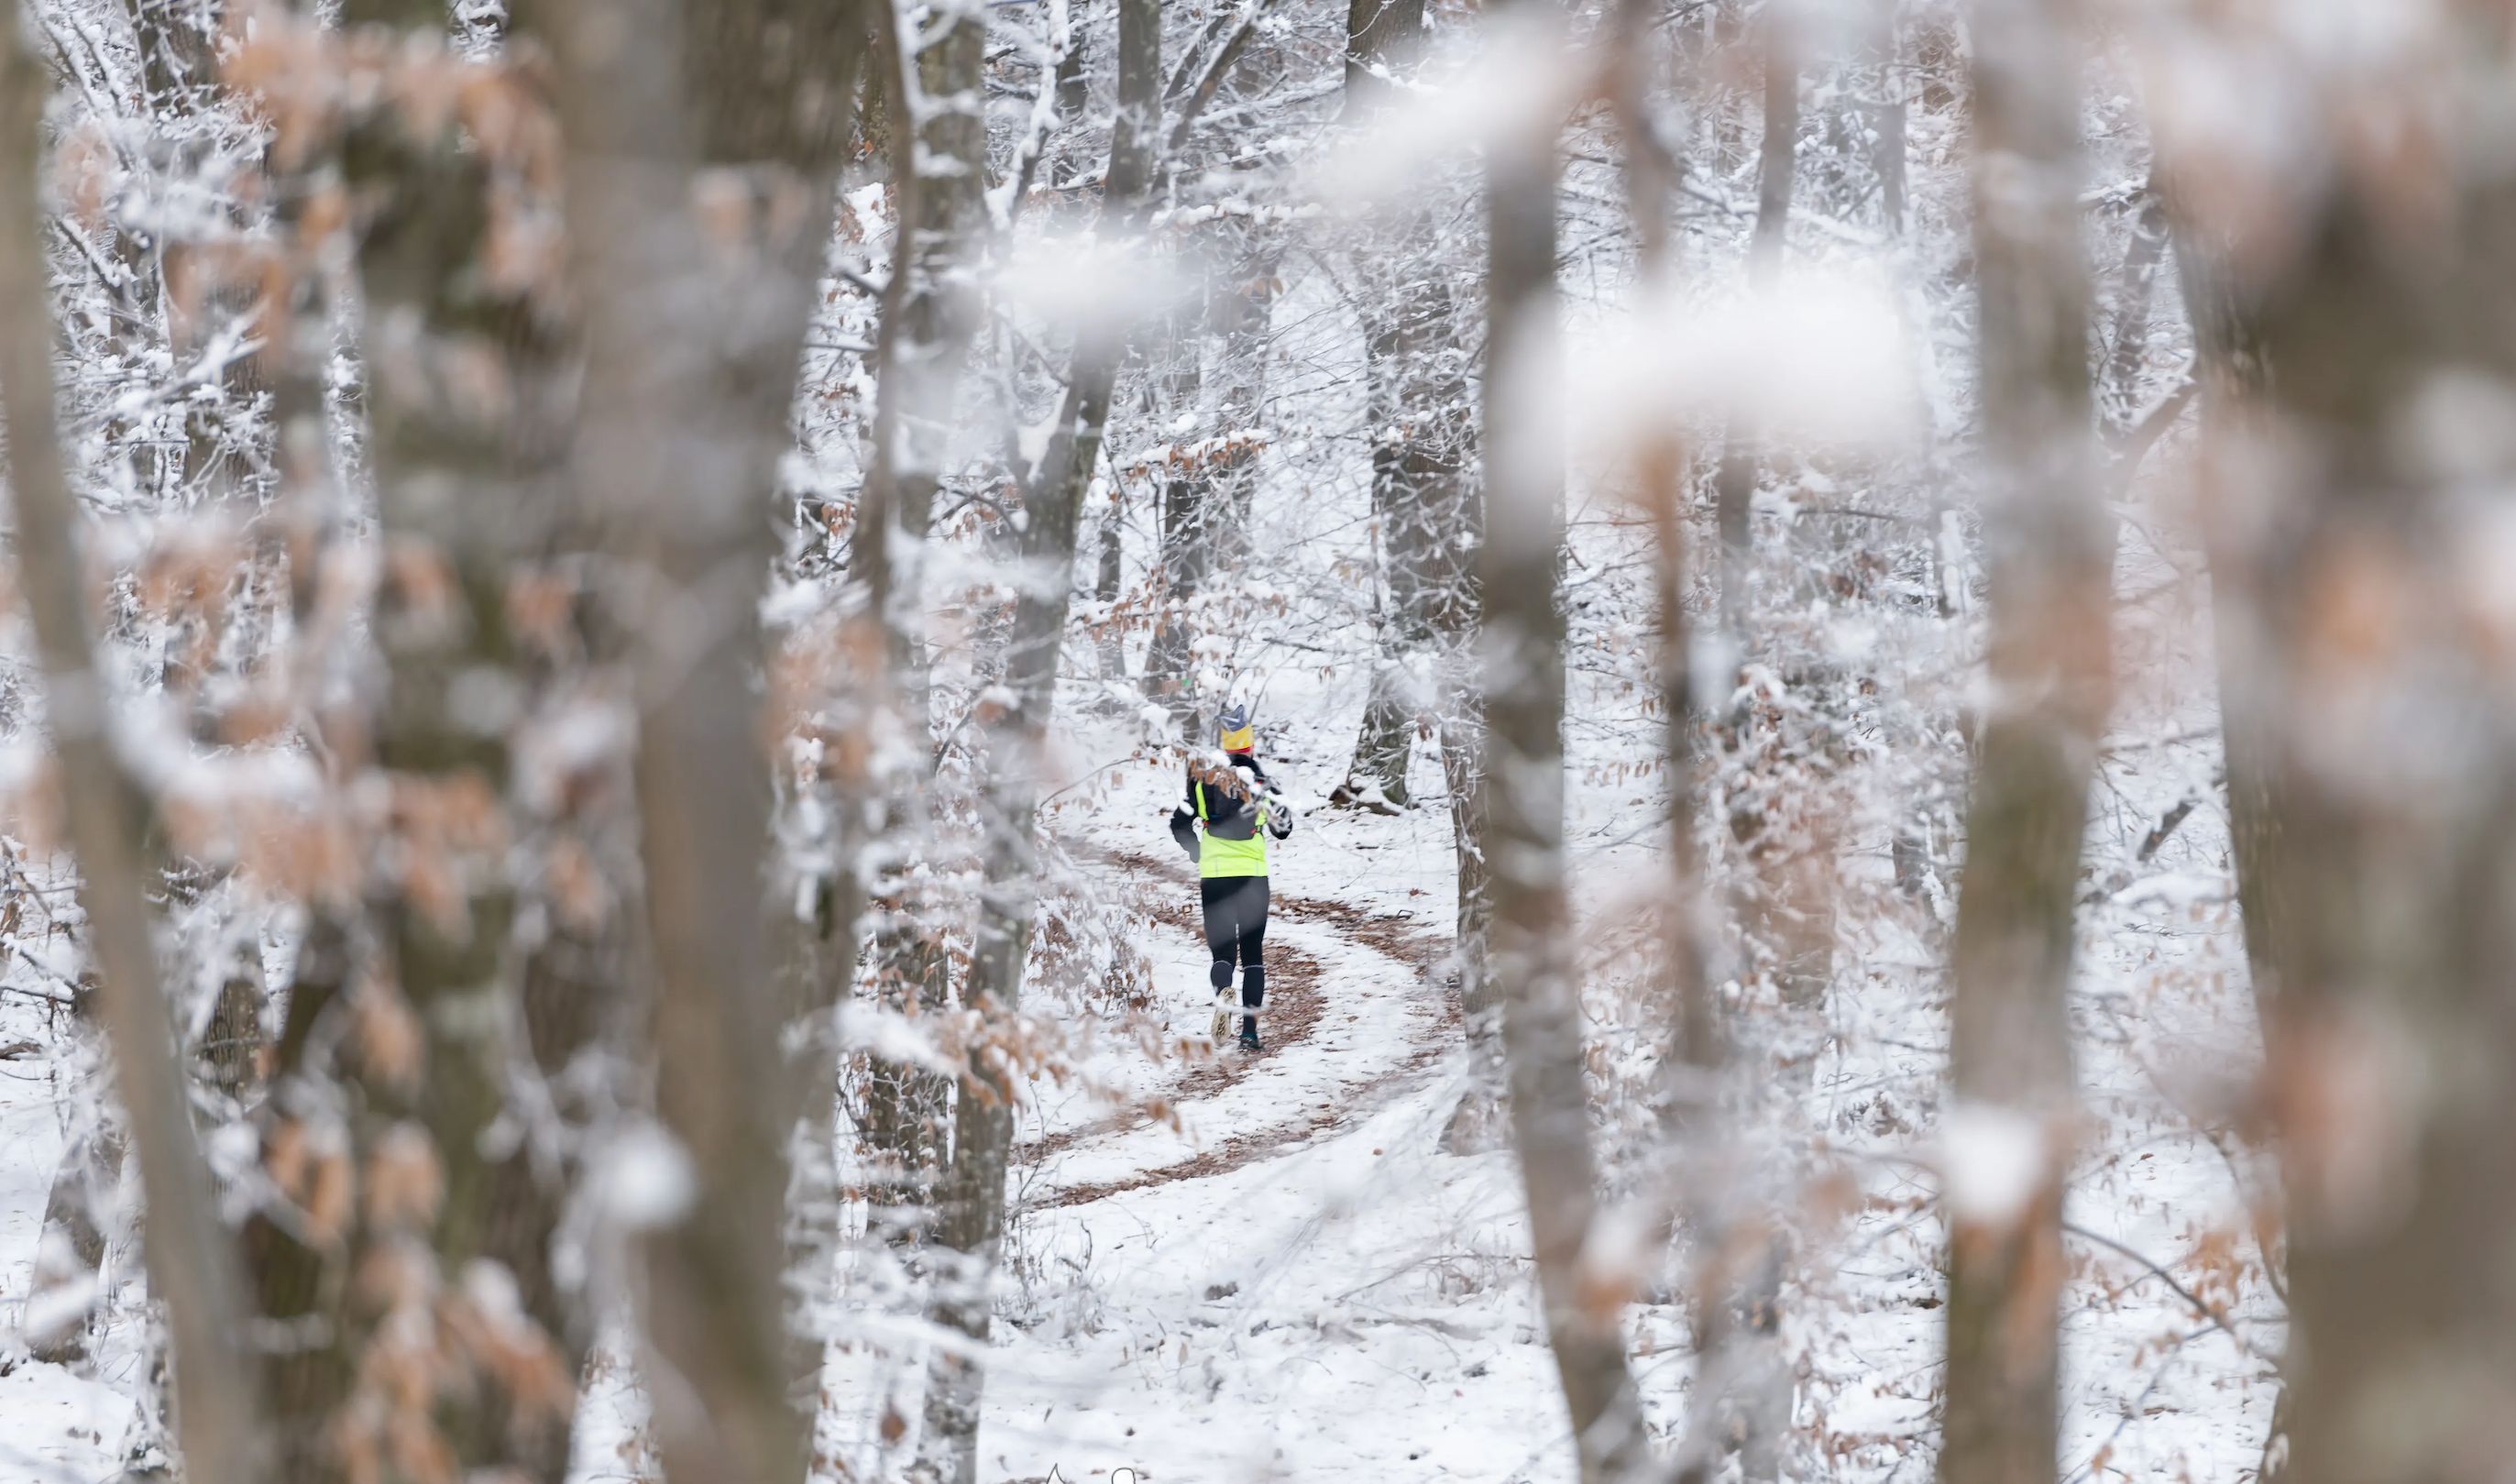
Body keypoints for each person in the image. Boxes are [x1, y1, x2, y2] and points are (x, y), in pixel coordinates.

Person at [1168, 702, 1294, 1050]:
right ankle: (1250, 1033)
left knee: (1222, 955)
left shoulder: (1202, 776)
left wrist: (1198, 852)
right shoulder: (1261, 781)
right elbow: (1283, 829)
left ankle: (1223, 998)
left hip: (1215, 875)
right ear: (1249, 745)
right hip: (1253, 876)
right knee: (1253, 956)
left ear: (1224, 746)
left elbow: (1179, 825)